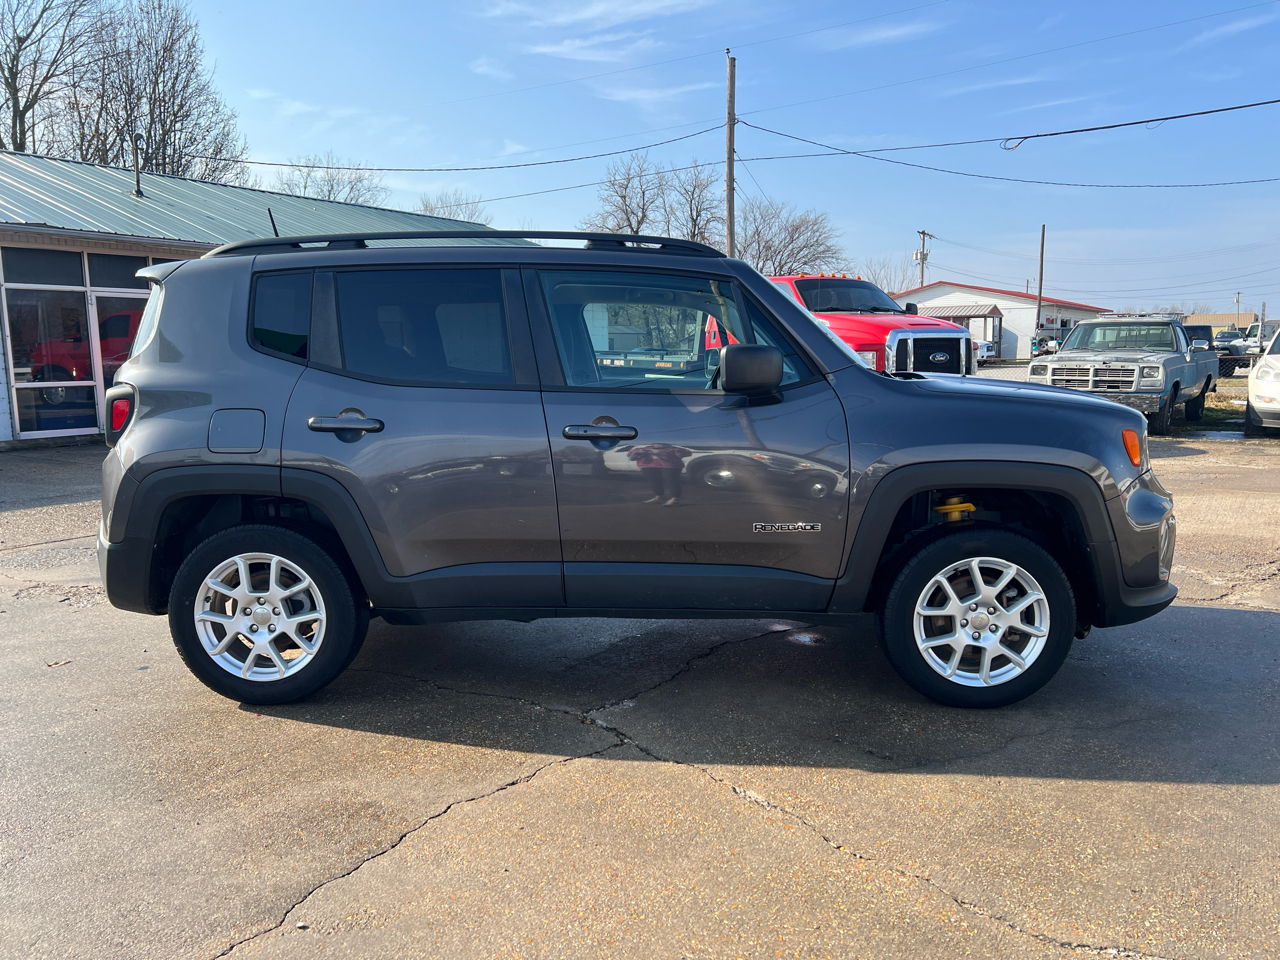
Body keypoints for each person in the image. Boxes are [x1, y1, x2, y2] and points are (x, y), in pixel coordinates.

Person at [627, 442, 692, 506]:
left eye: (662, 443)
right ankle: (658, 497)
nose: (659, 444)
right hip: (648, 466)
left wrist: (677, 452)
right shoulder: (643, 449)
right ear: (652, 443)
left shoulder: (674, 449)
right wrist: (638, 453)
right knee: (654, 481)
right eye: (657, 443)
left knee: (672, 481)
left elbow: (687, 453)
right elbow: (630, 455)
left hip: (670, 466)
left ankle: (675, 498)